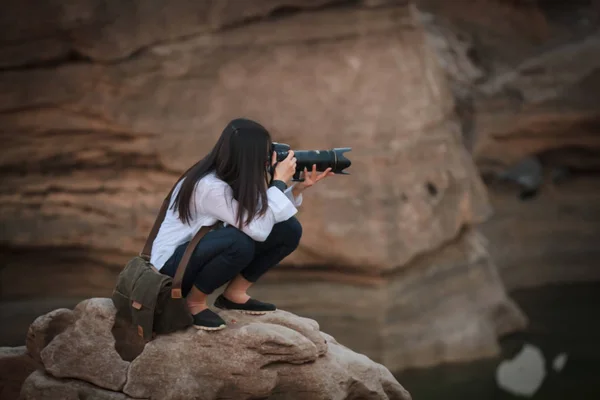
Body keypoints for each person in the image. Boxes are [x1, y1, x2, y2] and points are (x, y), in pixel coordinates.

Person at [150, 118, 334, 331]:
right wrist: (278, 181)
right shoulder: (208, 186)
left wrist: (296, 189)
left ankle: (234, 294)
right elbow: (256, 228)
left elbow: (261, 215)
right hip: (170, 269)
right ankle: (194, 303)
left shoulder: (234, 177)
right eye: (265, 153)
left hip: (195, 255)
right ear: (249, 155)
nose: (268, 159)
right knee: (238, 242)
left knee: (288, 229)